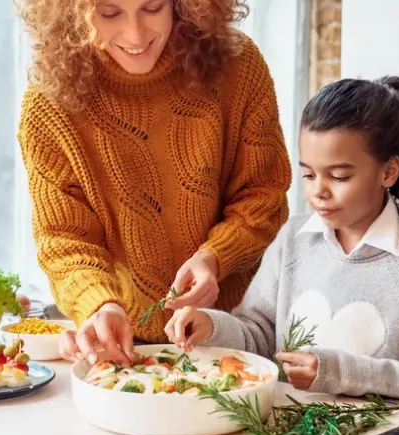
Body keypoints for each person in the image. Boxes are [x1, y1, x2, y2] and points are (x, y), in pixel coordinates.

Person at [165, 76, 399, 410]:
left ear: (388, 172)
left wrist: (336, 372)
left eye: (339, 177)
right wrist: (210, 326)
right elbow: (260, 335)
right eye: (309, 175)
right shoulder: (293, 240)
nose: (318, 191)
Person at [15, 0, 292, 366]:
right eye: (110, 13)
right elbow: (64, 239)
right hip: (126, 343)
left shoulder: (238, 67)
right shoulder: (49, 105)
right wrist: (100, 303)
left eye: (152, 7)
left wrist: (215, 257)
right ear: (71, 14)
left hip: (238, 330)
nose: (135, 34)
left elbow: (264, 194)